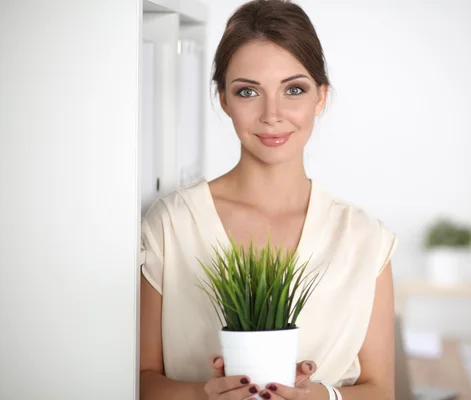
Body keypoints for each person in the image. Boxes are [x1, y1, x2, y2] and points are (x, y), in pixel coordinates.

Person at [139, 1, 411, 399]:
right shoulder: (172, 224)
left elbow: (381, 390)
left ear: (320, 97)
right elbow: (140, 379)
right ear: (223, 99)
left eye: (293, 89)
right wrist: (205, 394)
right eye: (248, 91)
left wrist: (322, 397)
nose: (272, 114)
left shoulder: (365, 240)